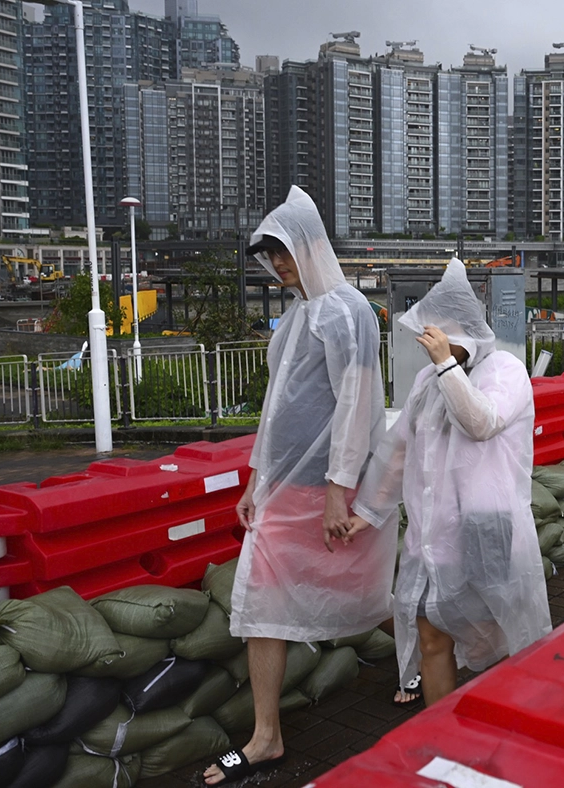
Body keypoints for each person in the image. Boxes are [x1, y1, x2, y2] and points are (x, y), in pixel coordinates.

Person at [203, 186, 395, 785]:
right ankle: (267, 737)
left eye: (285, 252)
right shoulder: (295, 317)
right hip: (285, 492)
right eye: (271, 257)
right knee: (263, 600)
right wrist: (254, 482)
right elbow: (275, 410)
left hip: (322, 489)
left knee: (372, 597)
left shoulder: (346, 311)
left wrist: (340, 489)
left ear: (312, 246)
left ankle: (426, 654)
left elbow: (357, 405)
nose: (280, 266)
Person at [348, 259, 551, 706]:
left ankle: (513, 722)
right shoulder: (426, 381)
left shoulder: (505, 371)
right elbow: (399, 449)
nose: (427, 344)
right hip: (434, 536)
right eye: (426, 336)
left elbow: (482, 421)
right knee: (432, 636)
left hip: (487, 529)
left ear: (460, 331)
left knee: (503, 635)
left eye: (435, 334)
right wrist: (366, 512)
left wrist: (446, 365)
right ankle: (440, 733)